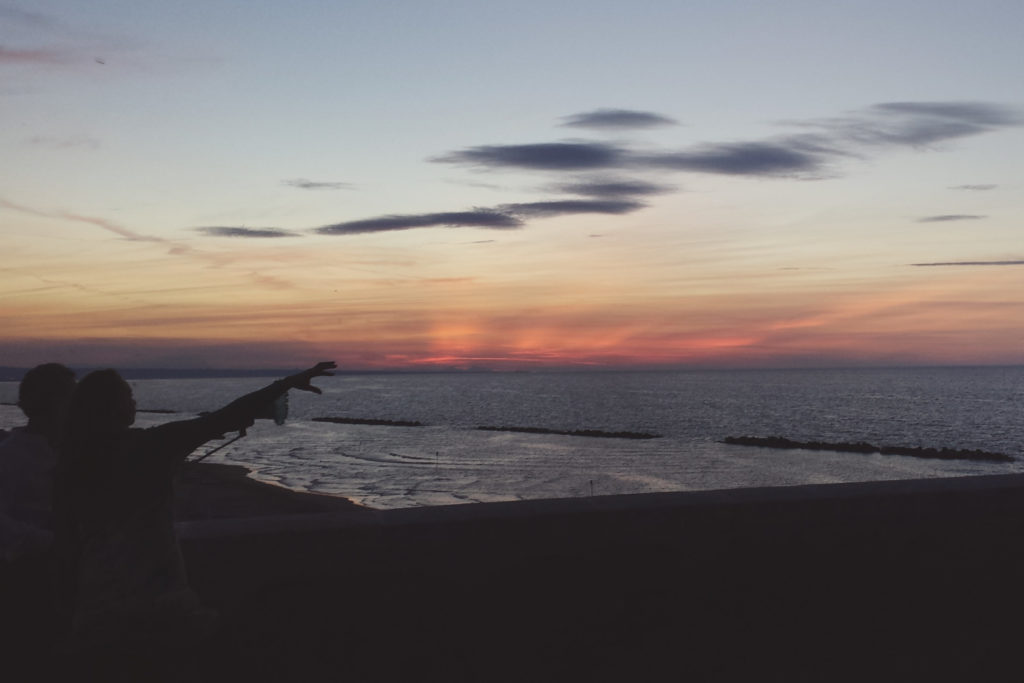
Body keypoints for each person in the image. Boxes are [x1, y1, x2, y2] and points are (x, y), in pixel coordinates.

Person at [53, 361, 336, 681]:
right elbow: (222, 419)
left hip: (96, 610)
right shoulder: (150, 446)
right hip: (159, 610)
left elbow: (65, 545)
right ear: (111, 407)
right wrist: (285, 384)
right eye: (127, 395)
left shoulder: (71, 463)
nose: (134, 401)